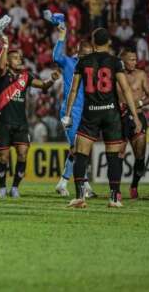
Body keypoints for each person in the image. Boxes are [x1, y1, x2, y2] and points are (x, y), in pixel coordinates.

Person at [62, 28, 142, 209]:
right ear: (109, 43)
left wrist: (67, 114)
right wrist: (135, 116)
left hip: (90, 113)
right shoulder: (115, 62)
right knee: (113, 157)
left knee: (81, 154)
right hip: (111, 113)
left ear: (92, 41)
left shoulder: (83, 62)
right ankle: (114, 198)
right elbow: (126, 90)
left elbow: (73, 90)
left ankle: (80, 197)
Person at [0, 34, 59, 199]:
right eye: (15, 58)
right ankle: (2, 187)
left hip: (21, 123)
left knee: (23, 154)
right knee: (3, 157)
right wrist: (5, 46)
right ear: (8, 61)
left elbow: (43, 86)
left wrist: (51, 80)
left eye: (20, 58)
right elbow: (1, 66)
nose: (19, 60)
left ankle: (15, 187)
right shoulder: (2, 75)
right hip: (4, 122)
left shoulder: (26, 76)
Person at [51, 23, 96, 198]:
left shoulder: (93, 68)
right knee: (77, 149)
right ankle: (84, 185)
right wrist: (62, 36)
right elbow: (56, 56)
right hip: (70, 112)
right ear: (79, 54)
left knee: (80, 149)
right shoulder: (70, 62)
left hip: (87, 112)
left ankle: (63, 183)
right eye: (87, 55)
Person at [117, 49, 149, 199]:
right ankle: (116, 190)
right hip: (120, 118)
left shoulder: (141, 75)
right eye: (131, 59)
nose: (134, 62)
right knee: (118, 155)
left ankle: (134, 185)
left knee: (140, 156)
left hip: (138, 116)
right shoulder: (116, 76)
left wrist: (139, 102)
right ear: (123, 61)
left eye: (135, 59)